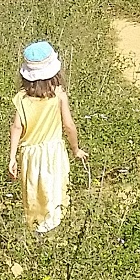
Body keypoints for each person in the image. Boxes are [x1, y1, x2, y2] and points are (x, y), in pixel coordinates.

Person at [7, 40, 85, 234]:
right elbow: (69, 126)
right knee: (55, 191)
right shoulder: (58, 95)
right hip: (53, 153)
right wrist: (75, 149)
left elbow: (17, 127)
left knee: (33, 193)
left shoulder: (22, 98)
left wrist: (12, 157)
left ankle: (37, 229)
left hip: (29, 155)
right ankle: (53, 230)